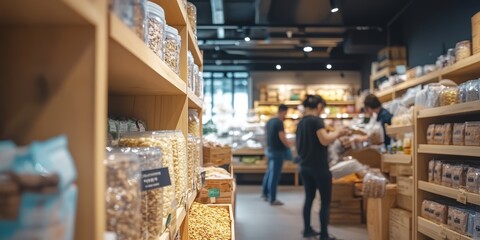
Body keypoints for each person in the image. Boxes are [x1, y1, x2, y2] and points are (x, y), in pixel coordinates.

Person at [296, 95, 348, 239]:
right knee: (325, 201)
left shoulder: (301, 123)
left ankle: (307, 230)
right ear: (319, 106)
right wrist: (338, 133)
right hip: (319, 167)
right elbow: (324, 140)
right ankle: (324, 234)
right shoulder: (316, 121)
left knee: (309, 198)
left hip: (304, 166)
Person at [261, 104, 292, 206]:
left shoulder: (270, 121)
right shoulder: (279, 122)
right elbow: (282, 136)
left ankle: (265, 194)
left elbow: (265, 133)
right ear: (283, 112)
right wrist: (288, 145)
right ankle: (273, 198)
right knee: (275, 175)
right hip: (277, 151)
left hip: (269, 149)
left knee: (269, 172)